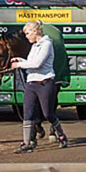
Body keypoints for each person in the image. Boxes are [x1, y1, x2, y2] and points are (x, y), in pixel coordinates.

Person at [10, 20, 68, 152]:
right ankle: (26, 143)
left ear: (35, 32)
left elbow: (37, 64)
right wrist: (21, 60)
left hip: (44, 82)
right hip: (31, 83)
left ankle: (61, 135)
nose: (26, 36)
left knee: (48, 113)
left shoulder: (46, 44)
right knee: (27, 113)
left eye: (28, 33)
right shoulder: (34, 46)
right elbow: (30, 62)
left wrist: (19, 65)